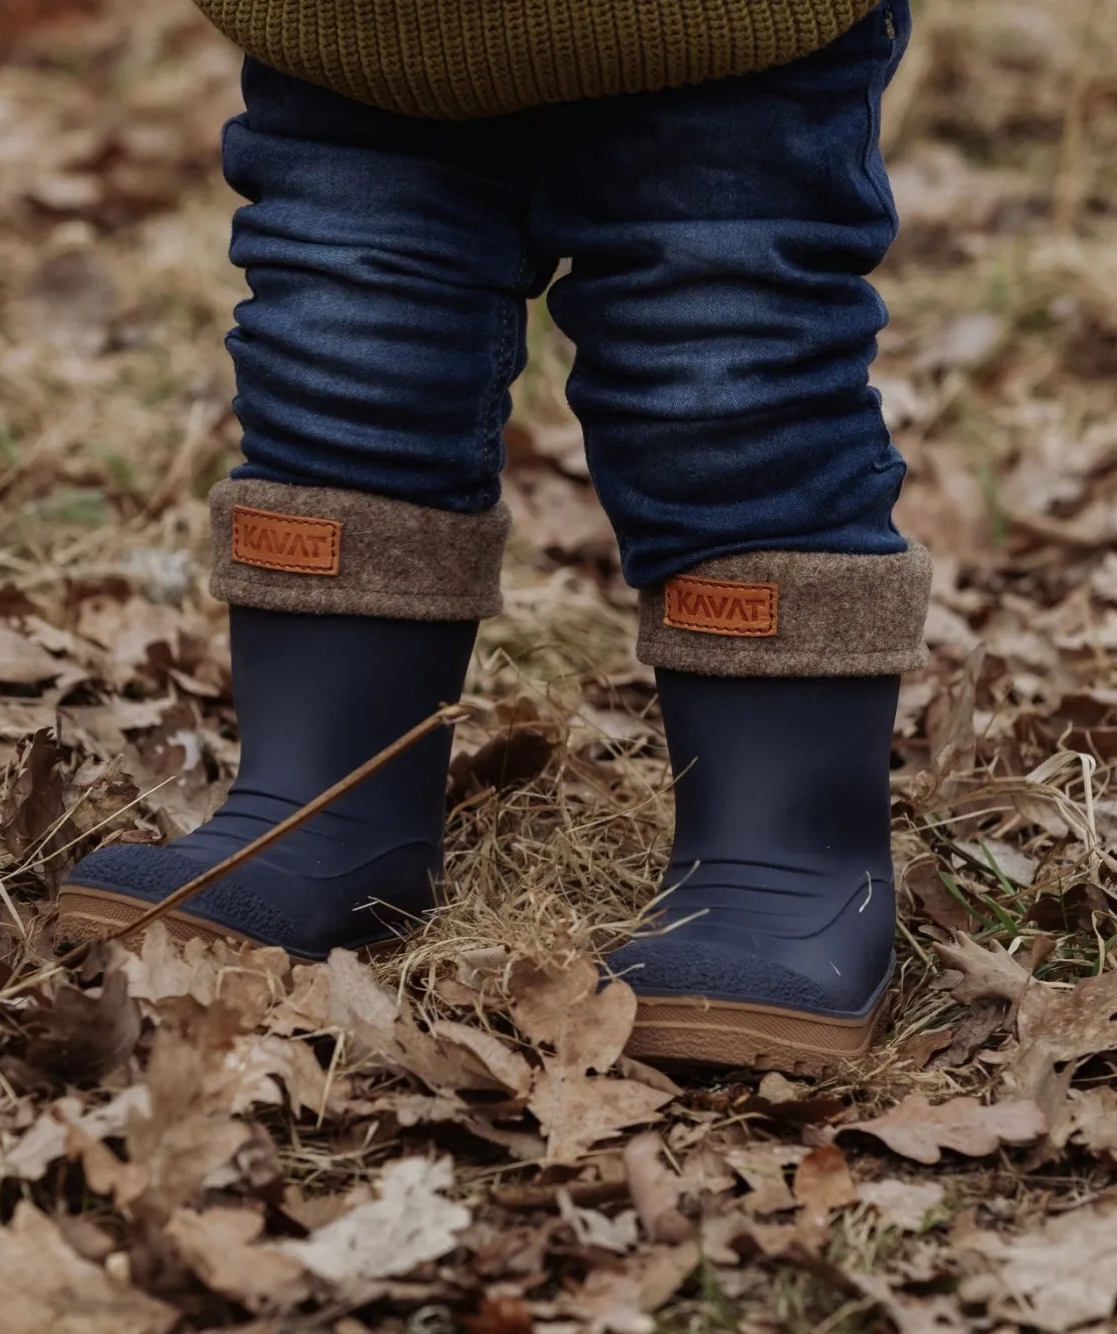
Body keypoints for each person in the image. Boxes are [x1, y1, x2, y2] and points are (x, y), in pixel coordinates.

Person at [58, 0, 931, 1071]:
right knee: (346, 340)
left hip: (724, 27)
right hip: (367, 28)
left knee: (726, 362)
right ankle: (323, 805)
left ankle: (782, 852)